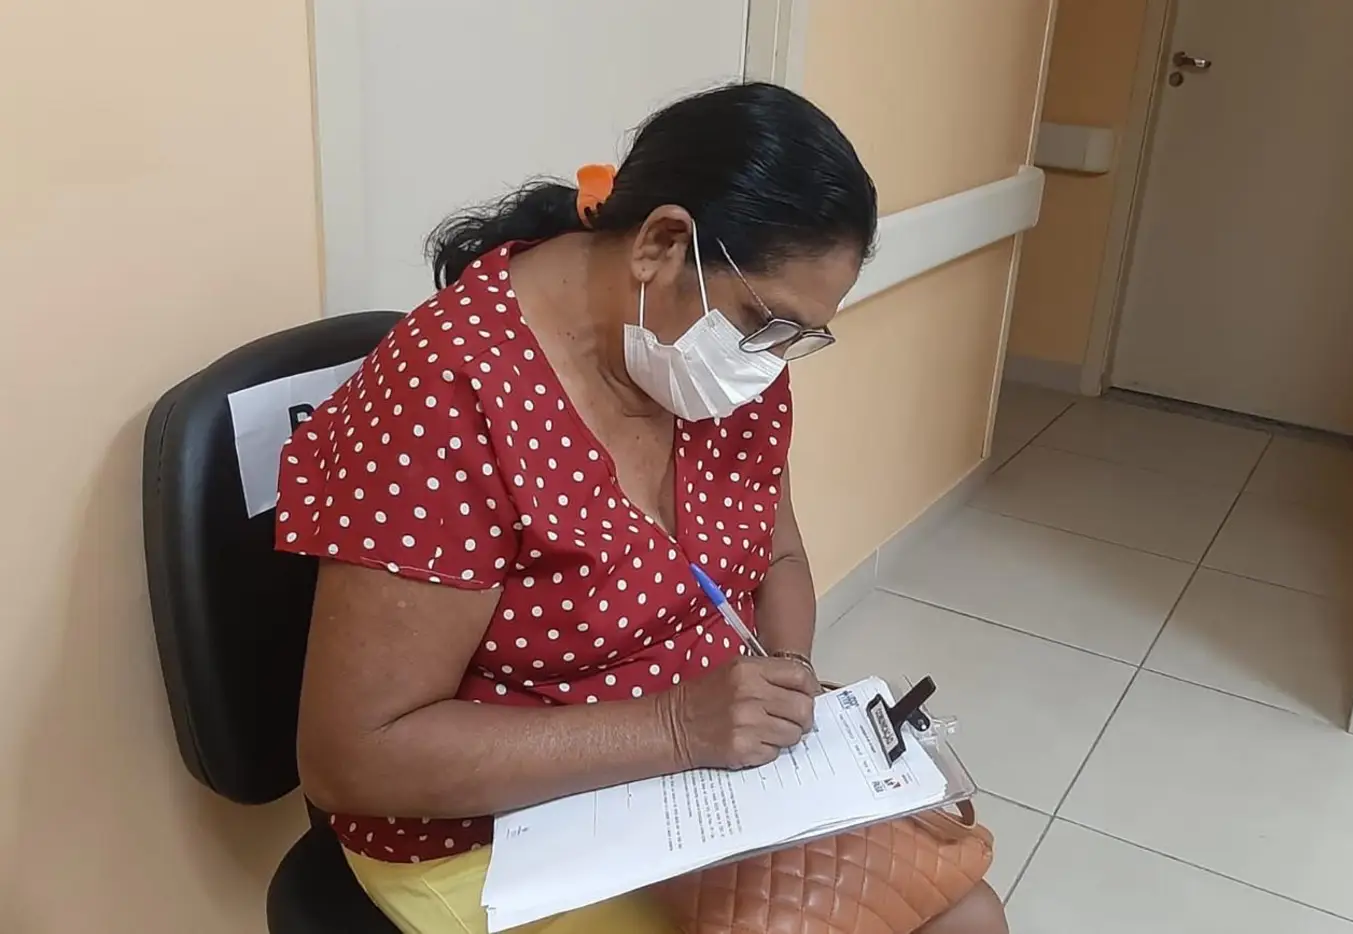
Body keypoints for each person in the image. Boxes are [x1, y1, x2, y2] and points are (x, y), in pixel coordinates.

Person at [276, 82, 1007, 934]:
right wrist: (676, 727)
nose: (769, 364)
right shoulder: (445, 396)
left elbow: (776, 556)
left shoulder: (723, 370)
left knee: (967, 915)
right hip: (491, 831)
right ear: (662, 244)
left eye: (797, 338)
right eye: (765, 323)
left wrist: (787, 680)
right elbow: (354, 756)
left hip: (700, 779)